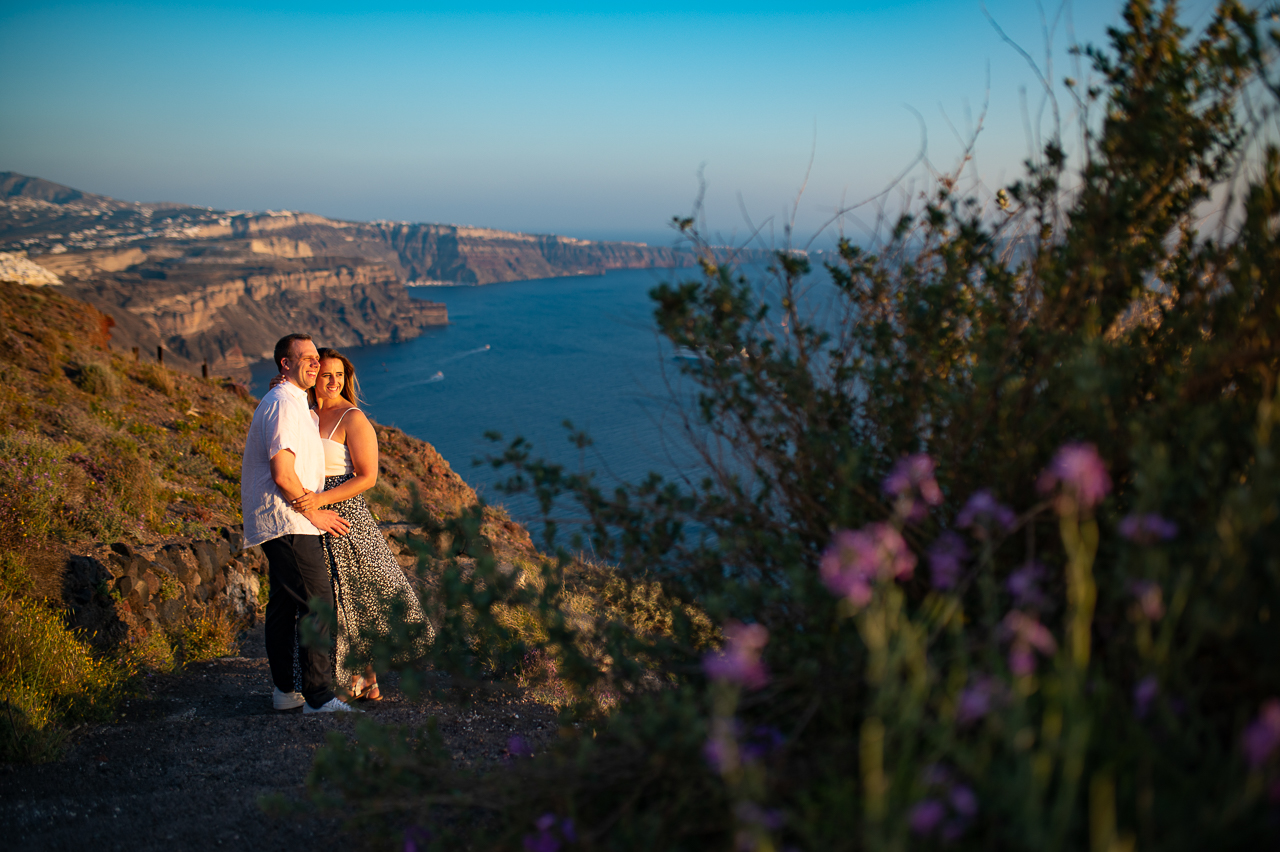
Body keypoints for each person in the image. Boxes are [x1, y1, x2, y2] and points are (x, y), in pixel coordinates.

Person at [289, 347, 434, 700]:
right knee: (334, 598)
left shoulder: (351, 417)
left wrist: (320, 500)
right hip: (311, 514)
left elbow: (368, 477)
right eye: (326, 374)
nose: (334, 381)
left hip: (343, 516)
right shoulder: (302, 414)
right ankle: (364, 679)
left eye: (340, 375)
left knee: (355, 595)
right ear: (312, 376)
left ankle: (362, 676)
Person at [241, 333, 359, 714]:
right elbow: (283, 472)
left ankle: (285, 691)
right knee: (319, 603)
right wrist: (314, 512)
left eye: (315, 358)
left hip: (283, 519)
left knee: (282, 605)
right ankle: (319, 697)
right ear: (285, 365)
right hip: (289, 520)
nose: (314, 363)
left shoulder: (293, 403)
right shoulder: (284, 406)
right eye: (305, 358)